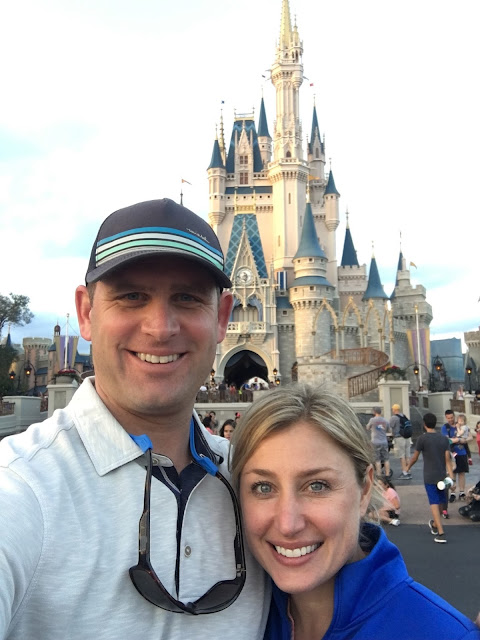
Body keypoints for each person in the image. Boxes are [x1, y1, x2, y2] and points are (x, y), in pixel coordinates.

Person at [0, 199, 269, 639]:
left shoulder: (257, 484)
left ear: (222, 317)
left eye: (186, 298)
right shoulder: (21, 489)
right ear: (86, 313)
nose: (160, 328)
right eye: (131, 297)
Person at [231, 385, 479, 639]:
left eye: (317, 486)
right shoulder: (228, 620)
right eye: (263, 487)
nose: (288, 524)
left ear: (365, 489)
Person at [405, 412, 454, 543]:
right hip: (442, 475)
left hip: (429, 475)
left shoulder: (422, 439)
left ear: (424, 424)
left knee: (434, 502)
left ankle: (441, 532)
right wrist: (452, 478)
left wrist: (408, 467)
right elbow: (447, 459)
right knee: (441, 501)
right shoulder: (444, 439)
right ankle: (435, 524)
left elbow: (415, 457)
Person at [442, 409, 469, 503]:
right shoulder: (445, 427)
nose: (450, 419)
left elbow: (469, 436)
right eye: (448, 418)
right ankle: (452, 492)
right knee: (451, 472)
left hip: (462, 452)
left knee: (461, 472)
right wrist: (459, 440)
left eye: (452, 417)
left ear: (454, 416)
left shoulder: (462, 425)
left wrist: (464, 440)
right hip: (451, 453)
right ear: (446, 418)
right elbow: (446, 440)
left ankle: (462, 492)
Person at [366, 406, 392, 477]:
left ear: (374, 412)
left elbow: (367, 427)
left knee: (377, 460)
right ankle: (387, 474)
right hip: (384, 441)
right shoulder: (385, 420)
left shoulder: (372, 420)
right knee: (386, 459)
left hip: (375, 442)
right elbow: (389, 430)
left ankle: (379, 474)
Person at [390, 403, 412, 480]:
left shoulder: (394, 418)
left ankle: (404, 472)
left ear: (394, 409)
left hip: (399, 438)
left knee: (401, 456)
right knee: (407, 455)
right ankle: (408, 471)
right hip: (407, 438)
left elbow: (390, 426)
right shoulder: (404, 416)